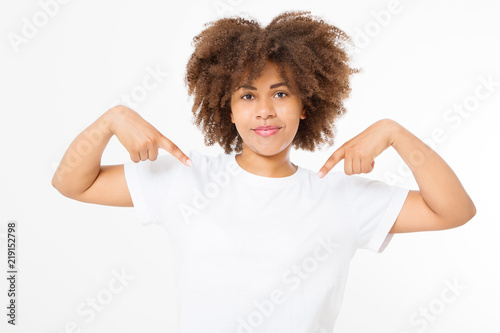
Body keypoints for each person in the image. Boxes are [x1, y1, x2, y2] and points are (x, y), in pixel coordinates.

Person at [51, 10, 476, 333]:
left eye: (281, 92)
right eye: (248, 95)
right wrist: (112, 119)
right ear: (227, 108)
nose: (266, 111)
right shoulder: (186, 178)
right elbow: (72, 183)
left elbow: (453, 211)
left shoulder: (339, 195)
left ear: (305, 104)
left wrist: (395, 134)